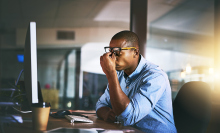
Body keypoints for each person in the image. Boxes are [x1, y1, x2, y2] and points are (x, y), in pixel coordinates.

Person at [96, 30, 177, 133]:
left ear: (135, 52)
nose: (112, 58)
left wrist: (111, 74)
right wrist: (106, 113)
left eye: (117, 52)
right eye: (111, 52)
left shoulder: (155, 76)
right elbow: (101, 104)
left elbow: (128, 117)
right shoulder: (120, 74)